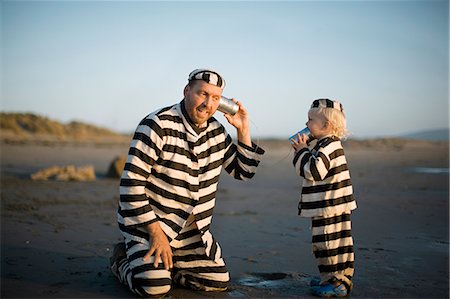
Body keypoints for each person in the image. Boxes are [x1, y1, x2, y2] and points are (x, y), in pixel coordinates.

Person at [110, 68, 265, 297]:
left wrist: (243, 130)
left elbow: (244, 172)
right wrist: (156, 233)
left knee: (217, 282)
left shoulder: (217, 132)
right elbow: (130, 186)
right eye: (202, 94)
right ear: (186, 91)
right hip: (151, 227)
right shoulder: (156, 124)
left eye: (215, 98)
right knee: (154, 288)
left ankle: (168, 269)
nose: (208, 104)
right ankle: (121, 261)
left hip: (192, 231)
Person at [290, 99, 357, 298]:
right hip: (332, 205)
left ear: (326, 125)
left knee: (328, 243)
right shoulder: (326, 144)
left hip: (330, 205)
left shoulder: (328, 146)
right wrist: (304, 150)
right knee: (335, 242)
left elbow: (314, 171)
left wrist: (302, 150)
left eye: (310, 120)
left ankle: (337, 283)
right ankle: (331, 277)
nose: (306, 124)